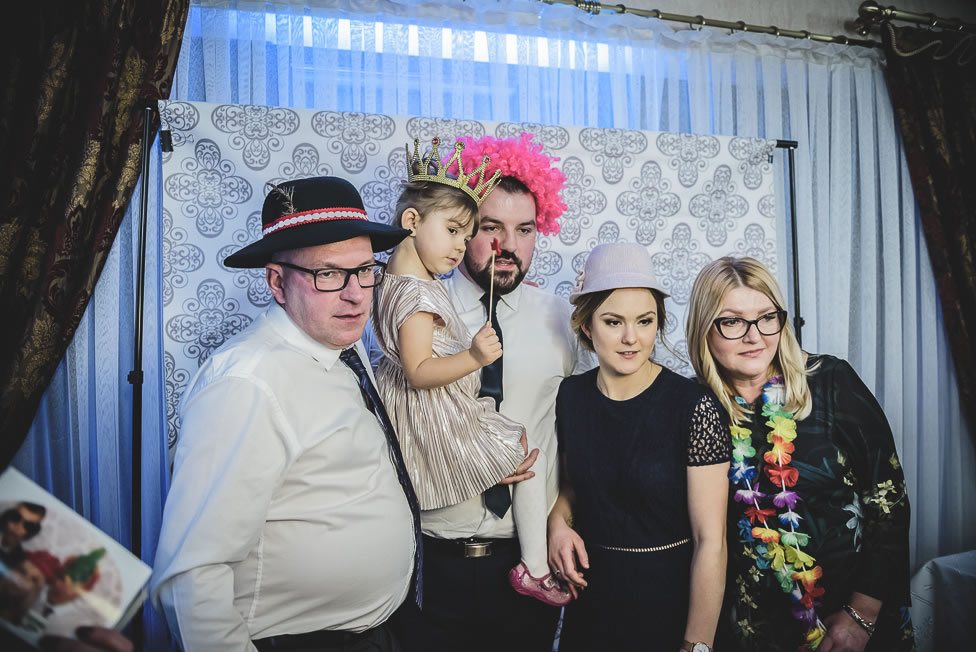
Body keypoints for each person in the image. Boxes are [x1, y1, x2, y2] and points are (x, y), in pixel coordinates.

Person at [151, 176, 422, 652]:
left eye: (364, 270)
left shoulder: (340, 347)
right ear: (277, 282)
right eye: (328, 274)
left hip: (377, 632)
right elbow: (192, 577)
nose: (356, 294)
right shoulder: (247, 384)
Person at [388, 133, 590, 652]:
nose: (508, 245)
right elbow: (392, 420)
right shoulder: (418, 309)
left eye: (525, 230)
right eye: (490, 227)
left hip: (525, 559)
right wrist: (472, 459)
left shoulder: (562, 321)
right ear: (459, 228)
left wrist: (562, 515)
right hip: (430, 558)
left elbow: (584, 436)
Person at [685, 256, 914, 652]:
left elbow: (889, 501)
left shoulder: (830, 382)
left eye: (766, 317)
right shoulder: (693, 408)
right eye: (733, 321)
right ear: (704, 328)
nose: (755, 336)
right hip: (752, 634)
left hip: (855, 628)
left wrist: (862, 615)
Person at [546, 242, 731, 652]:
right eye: (613, 322)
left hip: (668, 605)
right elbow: (574, 485)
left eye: (645, 321)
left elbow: (711, 541)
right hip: (592, 605)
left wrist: (697, 644)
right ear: (586, 326)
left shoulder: (693, 406)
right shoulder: (570, 396)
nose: (631, 338)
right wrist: (558, 522)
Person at [1, 503, 46, 567]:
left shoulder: (19, 557)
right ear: (8, 515)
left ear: (33, 531)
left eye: (29, 525)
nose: (18, 527)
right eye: (16, 517)